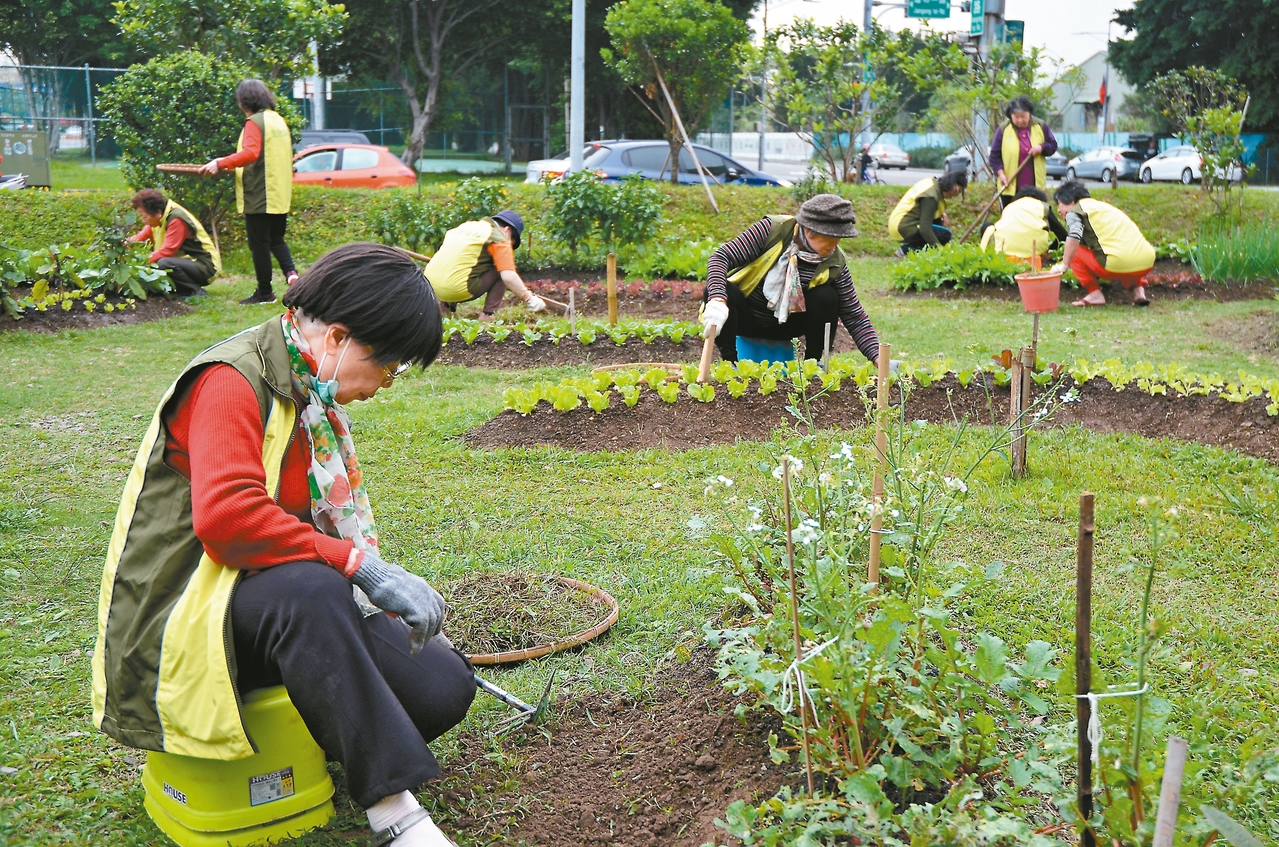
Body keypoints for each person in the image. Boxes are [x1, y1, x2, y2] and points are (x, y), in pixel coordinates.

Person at [91, 243, 475, 847]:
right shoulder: (231, 379)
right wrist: (357, 564)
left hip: (269, 605)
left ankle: (334, 732)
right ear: (339, 338)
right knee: (316, 587)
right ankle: (394, 813)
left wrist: (365, 582)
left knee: (442, 683)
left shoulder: (304, 389)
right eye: (388, 367)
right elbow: (229, 520)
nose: (382, 386)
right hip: (183, 615)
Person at [700, 193, 879, 364]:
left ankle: (812, 366)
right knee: (719, 289)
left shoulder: (834, 262)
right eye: (830, 239)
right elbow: (720, 257)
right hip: (749, 318)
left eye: (838, 239)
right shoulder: (772, 230)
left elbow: (854, 314)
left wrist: (878, 357)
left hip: (787, 325)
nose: (834, 246)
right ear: (809, 231)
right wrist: (718, 299)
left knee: (826, 296)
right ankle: (731, 363)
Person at [197, 79, 298, 305]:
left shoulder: (255, 122)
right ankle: (293, 276)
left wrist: (221, 163)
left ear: (244, 101)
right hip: (279, 191)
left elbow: (251, 153)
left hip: (260, 193)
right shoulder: (277, 120)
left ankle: (264, 292)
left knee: (258, 244)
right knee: (276, 239)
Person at [424, 210, 545, 319]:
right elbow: (509, 276)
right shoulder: (499, 239)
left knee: (461, 263)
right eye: (512, 243)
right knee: (502, 268)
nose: (509, 246)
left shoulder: (466, 227)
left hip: (428, 285)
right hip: (455, 288)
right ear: (507, 230)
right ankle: (488, 315)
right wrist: (529, 298)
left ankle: (445, 310)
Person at [1053, 180, 1156, 307]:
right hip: (1147, 262)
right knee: (1125, 249)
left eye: (1059, 204)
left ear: (1071, 201)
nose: (1058, 210)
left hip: (1114, 265)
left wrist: (1064, 265)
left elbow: (1074, 235)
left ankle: (1095, 294)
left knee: (1076, 250)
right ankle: (1138, 291)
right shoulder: (1105, 207)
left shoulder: (1075, 211)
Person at [126, 189, 222, 297]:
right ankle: (180, 290)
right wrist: (125, 243)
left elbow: (167, 251)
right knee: (159, 263)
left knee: (164, 263)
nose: (143, 221)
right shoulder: (159, 219)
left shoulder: (176, 219)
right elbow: (140, 237)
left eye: (144, 216)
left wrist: (141, 263)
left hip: (206, 266)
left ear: (157, 212)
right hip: (189, 262)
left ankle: (196, 291)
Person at [989, 96, 1059, 209]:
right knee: (1011, 217)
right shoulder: (1003, 129)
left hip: (1034, 186)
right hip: (1010, 185)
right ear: (1010, 115)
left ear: (1030, 113)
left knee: (1034, 216)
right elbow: (994, 156)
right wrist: (1001, 174)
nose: (1020, 120)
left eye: (1023, 116)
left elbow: (1052, 145)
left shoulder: (1040, 126)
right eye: (1016, 117)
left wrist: (1041, 148)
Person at [888, 171, 967, 256]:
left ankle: (922, 251)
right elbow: (925, 229)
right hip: (903, 227)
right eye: (957, 192)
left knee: (938, 225)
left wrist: (940, 213)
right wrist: (939, 249)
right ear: (954, 188)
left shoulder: (931, 183)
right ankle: (906, 250)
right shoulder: (931, 198)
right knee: (944, 235)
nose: (954, 196)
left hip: (897, 223)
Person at [979, 186, 1067, 262]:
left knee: (988, 226)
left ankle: (984, 255)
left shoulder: (1010, 207)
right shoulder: (1042, 206)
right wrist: (1050, 250)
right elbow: (1063, 235)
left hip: (1004, 252)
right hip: (1034, 253)